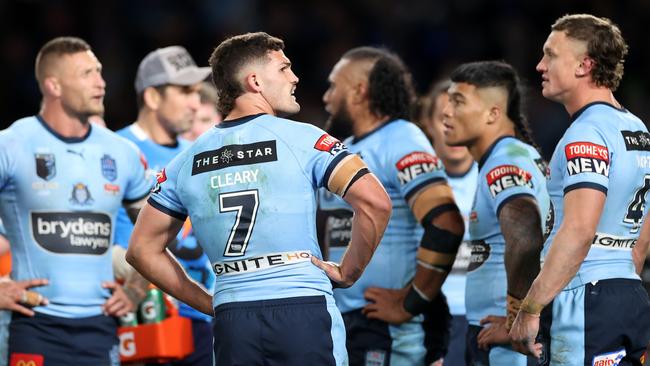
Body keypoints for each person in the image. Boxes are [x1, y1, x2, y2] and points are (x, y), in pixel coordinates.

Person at [125, 32, 392, 366]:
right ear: (254, 81)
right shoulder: (304, 139)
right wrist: (349, 271)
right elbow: (375, 203)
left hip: (233, 318)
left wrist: (208, 302)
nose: (295, 77)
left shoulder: (185, 161)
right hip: (302, 309)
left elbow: (141, 250)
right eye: (284, 68)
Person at [0, 37, 151, 365]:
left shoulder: (121, 153)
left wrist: (137, 290)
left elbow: (157, 229)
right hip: (34, 325)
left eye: (99, 71)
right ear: (54, 85)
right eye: (86, 74)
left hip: (102, 328)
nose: (101, 82)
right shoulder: (11, 145)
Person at [510, 14, 650, 365]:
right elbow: (643, 231)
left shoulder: (586, 132)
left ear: (584, 65)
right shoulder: (637, 128)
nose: (540, 65)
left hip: (583, 297)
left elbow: (579, 230)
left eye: (551, 54)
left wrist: (530, 309)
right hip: (628, 291)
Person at [319, 46, 464, 366]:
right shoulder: (346, 150)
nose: (327, 97)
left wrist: (412, 302)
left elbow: (446, 222)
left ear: (359, 91)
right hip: (349, 318)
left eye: (334, 86)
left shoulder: (402, 138)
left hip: (391, 326)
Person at [441, 60, 549, 365]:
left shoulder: (505, 160)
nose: (447, 111)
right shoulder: (507, 156)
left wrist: (516, 319)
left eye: (458, 101)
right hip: (492, 330)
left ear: (493, 113)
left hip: (506, 342)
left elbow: (526, 235)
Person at [113, 45, 215, 366]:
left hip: (199, 310)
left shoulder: (199, 154)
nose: (196, 103)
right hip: (139, 310)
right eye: (185, 91)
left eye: (198, 92)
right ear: (153, 97)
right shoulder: (115, 150)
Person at [416, 80, 478, 366]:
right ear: (427, 124)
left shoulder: (498, 177)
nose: (452, 125)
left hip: (487, 317)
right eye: (443, 117)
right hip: (428, 318)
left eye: (461, 115)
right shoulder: (411, 184)